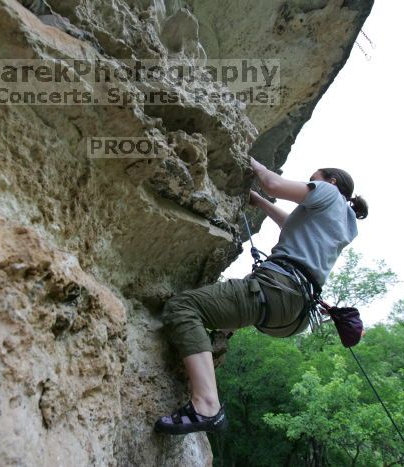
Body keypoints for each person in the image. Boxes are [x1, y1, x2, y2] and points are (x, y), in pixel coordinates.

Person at [154, 158, 368, 435]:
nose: (309, 182)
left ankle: (207, 405)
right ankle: (203, 361)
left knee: (183, 308)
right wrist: (258, 201)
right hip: (293, 313)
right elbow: (291, 224)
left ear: (331, 181)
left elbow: (274, 184)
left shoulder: (327, 192)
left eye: (312, 178)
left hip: (276, 288)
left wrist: (250, 161)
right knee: (214, 313)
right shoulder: (344, 221)